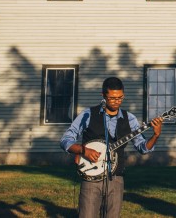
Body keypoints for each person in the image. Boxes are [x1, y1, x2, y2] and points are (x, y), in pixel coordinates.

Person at [60, 77, 163, 218]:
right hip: (91, 178)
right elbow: (66, 139)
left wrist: (155, 135)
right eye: (112, 98)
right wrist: (83, 150)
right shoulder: (88, 114)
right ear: (103, 96)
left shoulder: (130, 119)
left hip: (116, 178)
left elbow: (143, 148)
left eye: (120, 98)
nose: (117, 101)